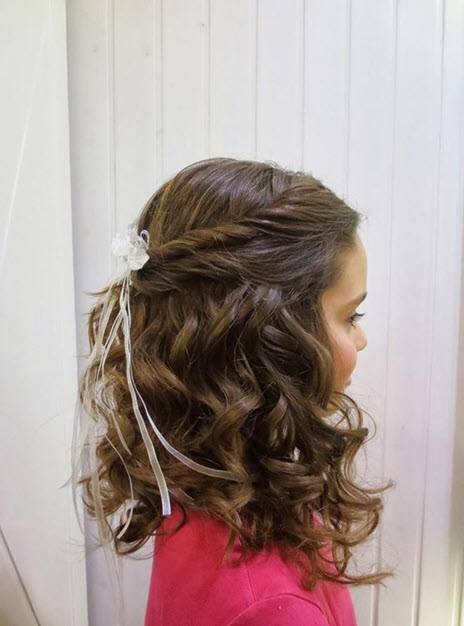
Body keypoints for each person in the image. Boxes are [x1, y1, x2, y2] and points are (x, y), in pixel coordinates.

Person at [71, 157, 395, 625]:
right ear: (270, 339)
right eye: (351, 316)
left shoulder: (208, 489)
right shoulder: (272, 608)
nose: (360, 338)